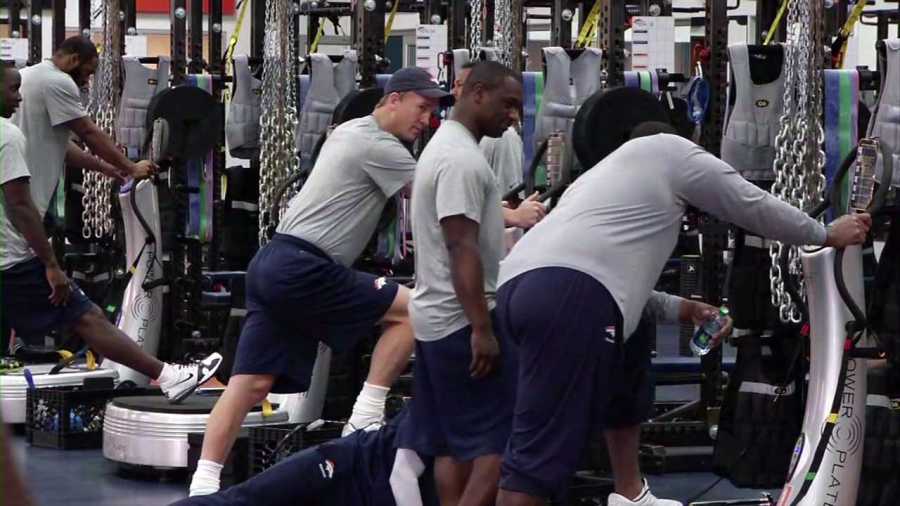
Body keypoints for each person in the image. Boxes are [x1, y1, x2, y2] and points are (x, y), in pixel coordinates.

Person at [493, 119, 872, 506]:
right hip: (565, 297)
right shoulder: (672, 151)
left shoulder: (600, 181)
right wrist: (824, 234)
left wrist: (685, 308)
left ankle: (630, 495)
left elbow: (612, 283)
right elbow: (748, 203)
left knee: (626, 358)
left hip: (520, 287)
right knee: (539, 457)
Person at [188, 68, 451, 496]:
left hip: (272, 261)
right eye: (421, 108)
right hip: (302, 266)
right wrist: (511, 215)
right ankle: (364, 416)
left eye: (433, 112)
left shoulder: (349, 130)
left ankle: (202, 488)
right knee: (418, 311)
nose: (426, 120)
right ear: (394, 99)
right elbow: (440, 194)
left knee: (249, 385)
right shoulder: (378, 145)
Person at [0, 60, 220, 402]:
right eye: (13, 90)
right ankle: (168, 375)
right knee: (85, 316)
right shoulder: (8, 135)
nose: (20, 99)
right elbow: (20, 205)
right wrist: (51, 265)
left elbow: (65, 148)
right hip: (10, 259)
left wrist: (112, 169)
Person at [404, 61, 522, 506]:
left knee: (452, 445)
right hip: (459, 324)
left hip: (436, 320)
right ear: (476, 93)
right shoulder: (460, 160)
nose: (512, 116)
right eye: (506, 104)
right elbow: (461, 246)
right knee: (499, 442)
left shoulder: (445, 148)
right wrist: (481, 328)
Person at [173, 407, 439, 506]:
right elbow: (402, 475)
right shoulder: (445, 394)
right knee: (247, 500)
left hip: (373, 496)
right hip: (347, 467)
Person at [451, 62, 544, 229]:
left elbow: (508, 200)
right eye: (457, 85)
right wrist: (515, 216)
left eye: (460, 85)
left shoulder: (499, 138)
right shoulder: (461, 148)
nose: (456, 92)